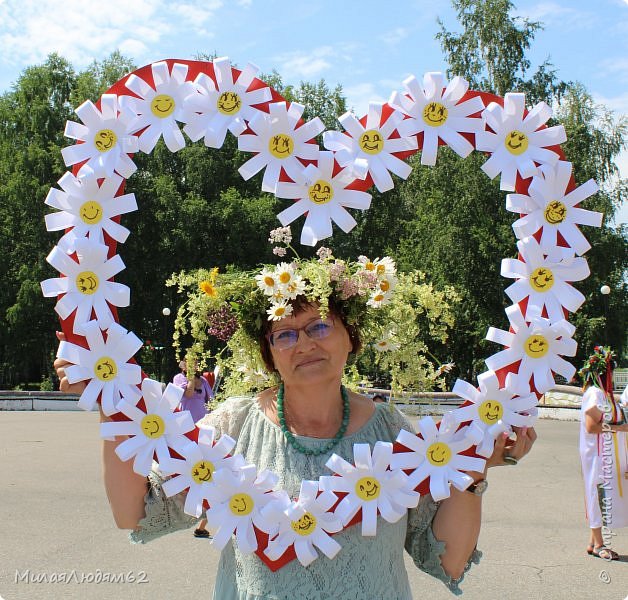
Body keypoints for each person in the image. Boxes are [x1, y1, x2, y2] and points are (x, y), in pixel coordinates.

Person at [54, 252, 536, 599]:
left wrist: (473, 470)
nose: (303, 342)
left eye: (320, 326)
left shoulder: (395, 433)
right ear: (270, 356)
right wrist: (110, 404)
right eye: (284, 332)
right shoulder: (234, 426)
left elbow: (448, 560)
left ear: (352, 340)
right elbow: (133, 512)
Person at [578, 346, 628, 560]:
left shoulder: (604, 394)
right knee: (599, 495)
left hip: (606, 454)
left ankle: (593, 541)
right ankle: (599, 545)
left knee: (600, 494)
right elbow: (591, 427)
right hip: (598, 455)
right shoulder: (595, 394)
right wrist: (620, 429)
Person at [172, 359, 213, 538]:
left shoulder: (203, 381)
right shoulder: (178, 379)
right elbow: (187, 395)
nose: (193, 364)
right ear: (182, 365)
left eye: (195, 362)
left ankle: (202, 524)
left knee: (208, 471)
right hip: (186, 430)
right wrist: (190, 378)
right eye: (188, 362)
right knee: (188, 470)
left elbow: (210, 402)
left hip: (203, 430)